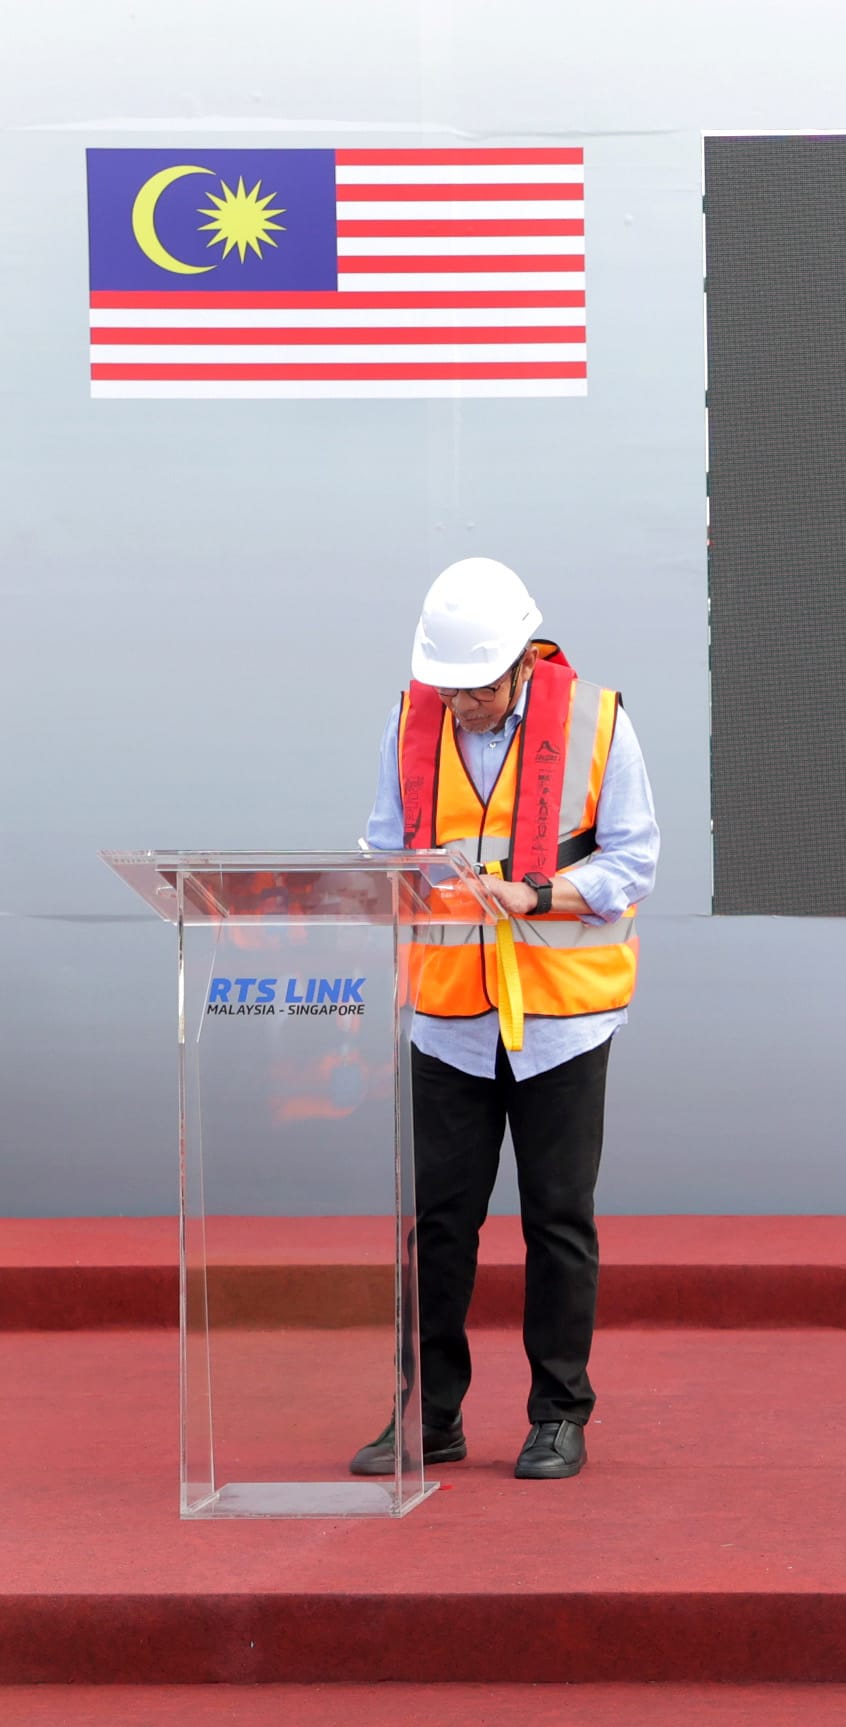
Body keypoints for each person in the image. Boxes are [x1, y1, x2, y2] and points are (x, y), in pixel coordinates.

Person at [347, 557, 657, 1482]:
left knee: (558, 1221)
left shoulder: (599, 722)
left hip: (561, 1018)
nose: (463, 704)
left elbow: (633, 862)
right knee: (438, 1226)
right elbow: (382, 851)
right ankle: (427, 1416)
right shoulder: (412, 721)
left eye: (478, 688)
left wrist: (534, 895)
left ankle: (559, 1415)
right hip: (449, 1016)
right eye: (449, 688)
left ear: (524, 660)